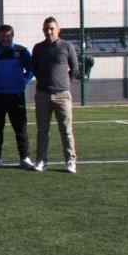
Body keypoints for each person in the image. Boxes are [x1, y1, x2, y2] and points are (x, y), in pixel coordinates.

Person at [31, 17, 80, 173]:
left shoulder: (67, 46)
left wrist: (64, 84)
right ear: (43, 30)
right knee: (42, 130)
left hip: (62, 95)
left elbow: (75, 68)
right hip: (42, 94)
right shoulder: (38, 48)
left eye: (52, 28)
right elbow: (34, 68)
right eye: (46, 29)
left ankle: (70, 161)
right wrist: (44, 82)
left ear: (58, 30)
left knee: (66, 129)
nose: (49, 31)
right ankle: (41, 161)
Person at [0, 24, 34, 169]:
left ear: (12, 36)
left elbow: (32, 69)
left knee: (20, 128)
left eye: (7, 36)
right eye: (2, 36)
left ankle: (24, 158)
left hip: (16, 95)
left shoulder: (21, 51)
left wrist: (23, 81)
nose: (5, 39)